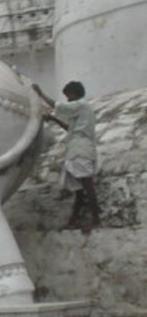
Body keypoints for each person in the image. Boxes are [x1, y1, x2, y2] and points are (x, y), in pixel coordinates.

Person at [33, 81, 101, 233]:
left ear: (73, 94)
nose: (68, 100)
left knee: (87, 185)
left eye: (68, 96)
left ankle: (96, 220)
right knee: (79, 189)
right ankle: (73, 221)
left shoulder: (82, 105)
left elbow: (59, 106)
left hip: (80, 149)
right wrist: (54, 119)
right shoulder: (81, 112)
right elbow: (70, 129)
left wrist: (40, 93)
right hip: (75, 149)